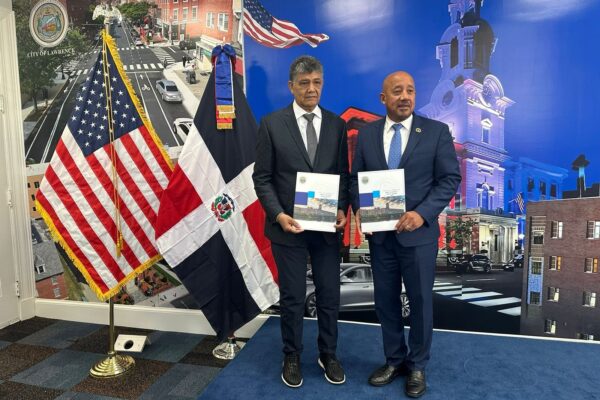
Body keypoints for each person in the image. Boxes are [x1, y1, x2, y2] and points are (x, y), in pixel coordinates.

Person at [350, 71, 461, 398]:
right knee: (385, 302)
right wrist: (359, 208)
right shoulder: (367, 134)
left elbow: (449, 180)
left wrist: (421, 213)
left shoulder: (436, 132)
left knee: (421, 302)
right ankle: (394, 360)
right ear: (383, 98)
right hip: (381, 237)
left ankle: (417, 366)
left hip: (419, 236)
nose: (405, 96)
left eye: (410, 90)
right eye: (397, 91)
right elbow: (356, 179)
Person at [253, 55, 349, 388]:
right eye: (305, 83)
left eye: (317, 82)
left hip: (326, 229)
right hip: (287, 228)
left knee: (329, 295)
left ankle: (329, 354)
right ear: (291, 86)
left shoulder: (337, 125)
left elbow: (342, 175)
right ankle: (291, 355)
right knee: (293, 297)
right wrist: (278, 215)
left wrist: (341, 208)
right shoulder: (271, 124)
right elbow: (262, 178)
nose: (312, 89)